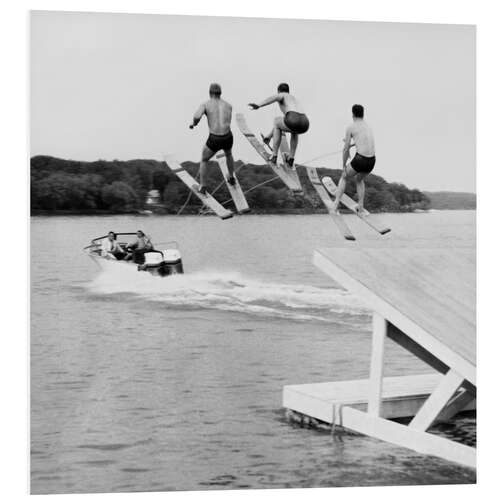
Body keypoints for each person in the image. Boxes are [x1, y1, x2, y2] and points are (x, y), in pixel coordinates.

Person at [248, 82, 309, 168]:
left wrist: (259, 105)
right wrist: (269, 136)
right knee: (293, 130)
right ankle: (291, 158)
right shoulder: (294, 99)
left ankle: (274, 155)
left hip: (293, 119)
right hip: (305, 122)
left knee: (277, 121)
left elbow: (273, 98)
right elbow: (284, 124)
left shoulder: (282, 95)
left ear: (279, 91)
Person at [189, 83, 236, 195]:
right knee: (228, 154)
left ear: (210, 93)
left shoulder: (206, 104)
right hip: (228, 136)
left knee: (204, 159)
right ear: (220, 93)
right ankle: (231, 177)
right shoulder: (228, 105)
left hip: (215, 138)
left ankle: (203, 186)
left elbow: (196, 116)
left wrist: (194, 124)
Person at [332, 104, 376, 214]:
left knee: (344, 176)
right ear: (363, 114)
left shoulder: (351, 127)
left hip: (360, 159)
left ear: (353, 114)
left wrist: (343, 165)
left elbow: (345, 149)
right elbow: (364, 141)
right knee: (359, 179)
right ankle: (360, 206)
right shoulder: (368, 126)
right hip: (372, 161)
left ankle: (336, 203)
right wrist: (354, 144)